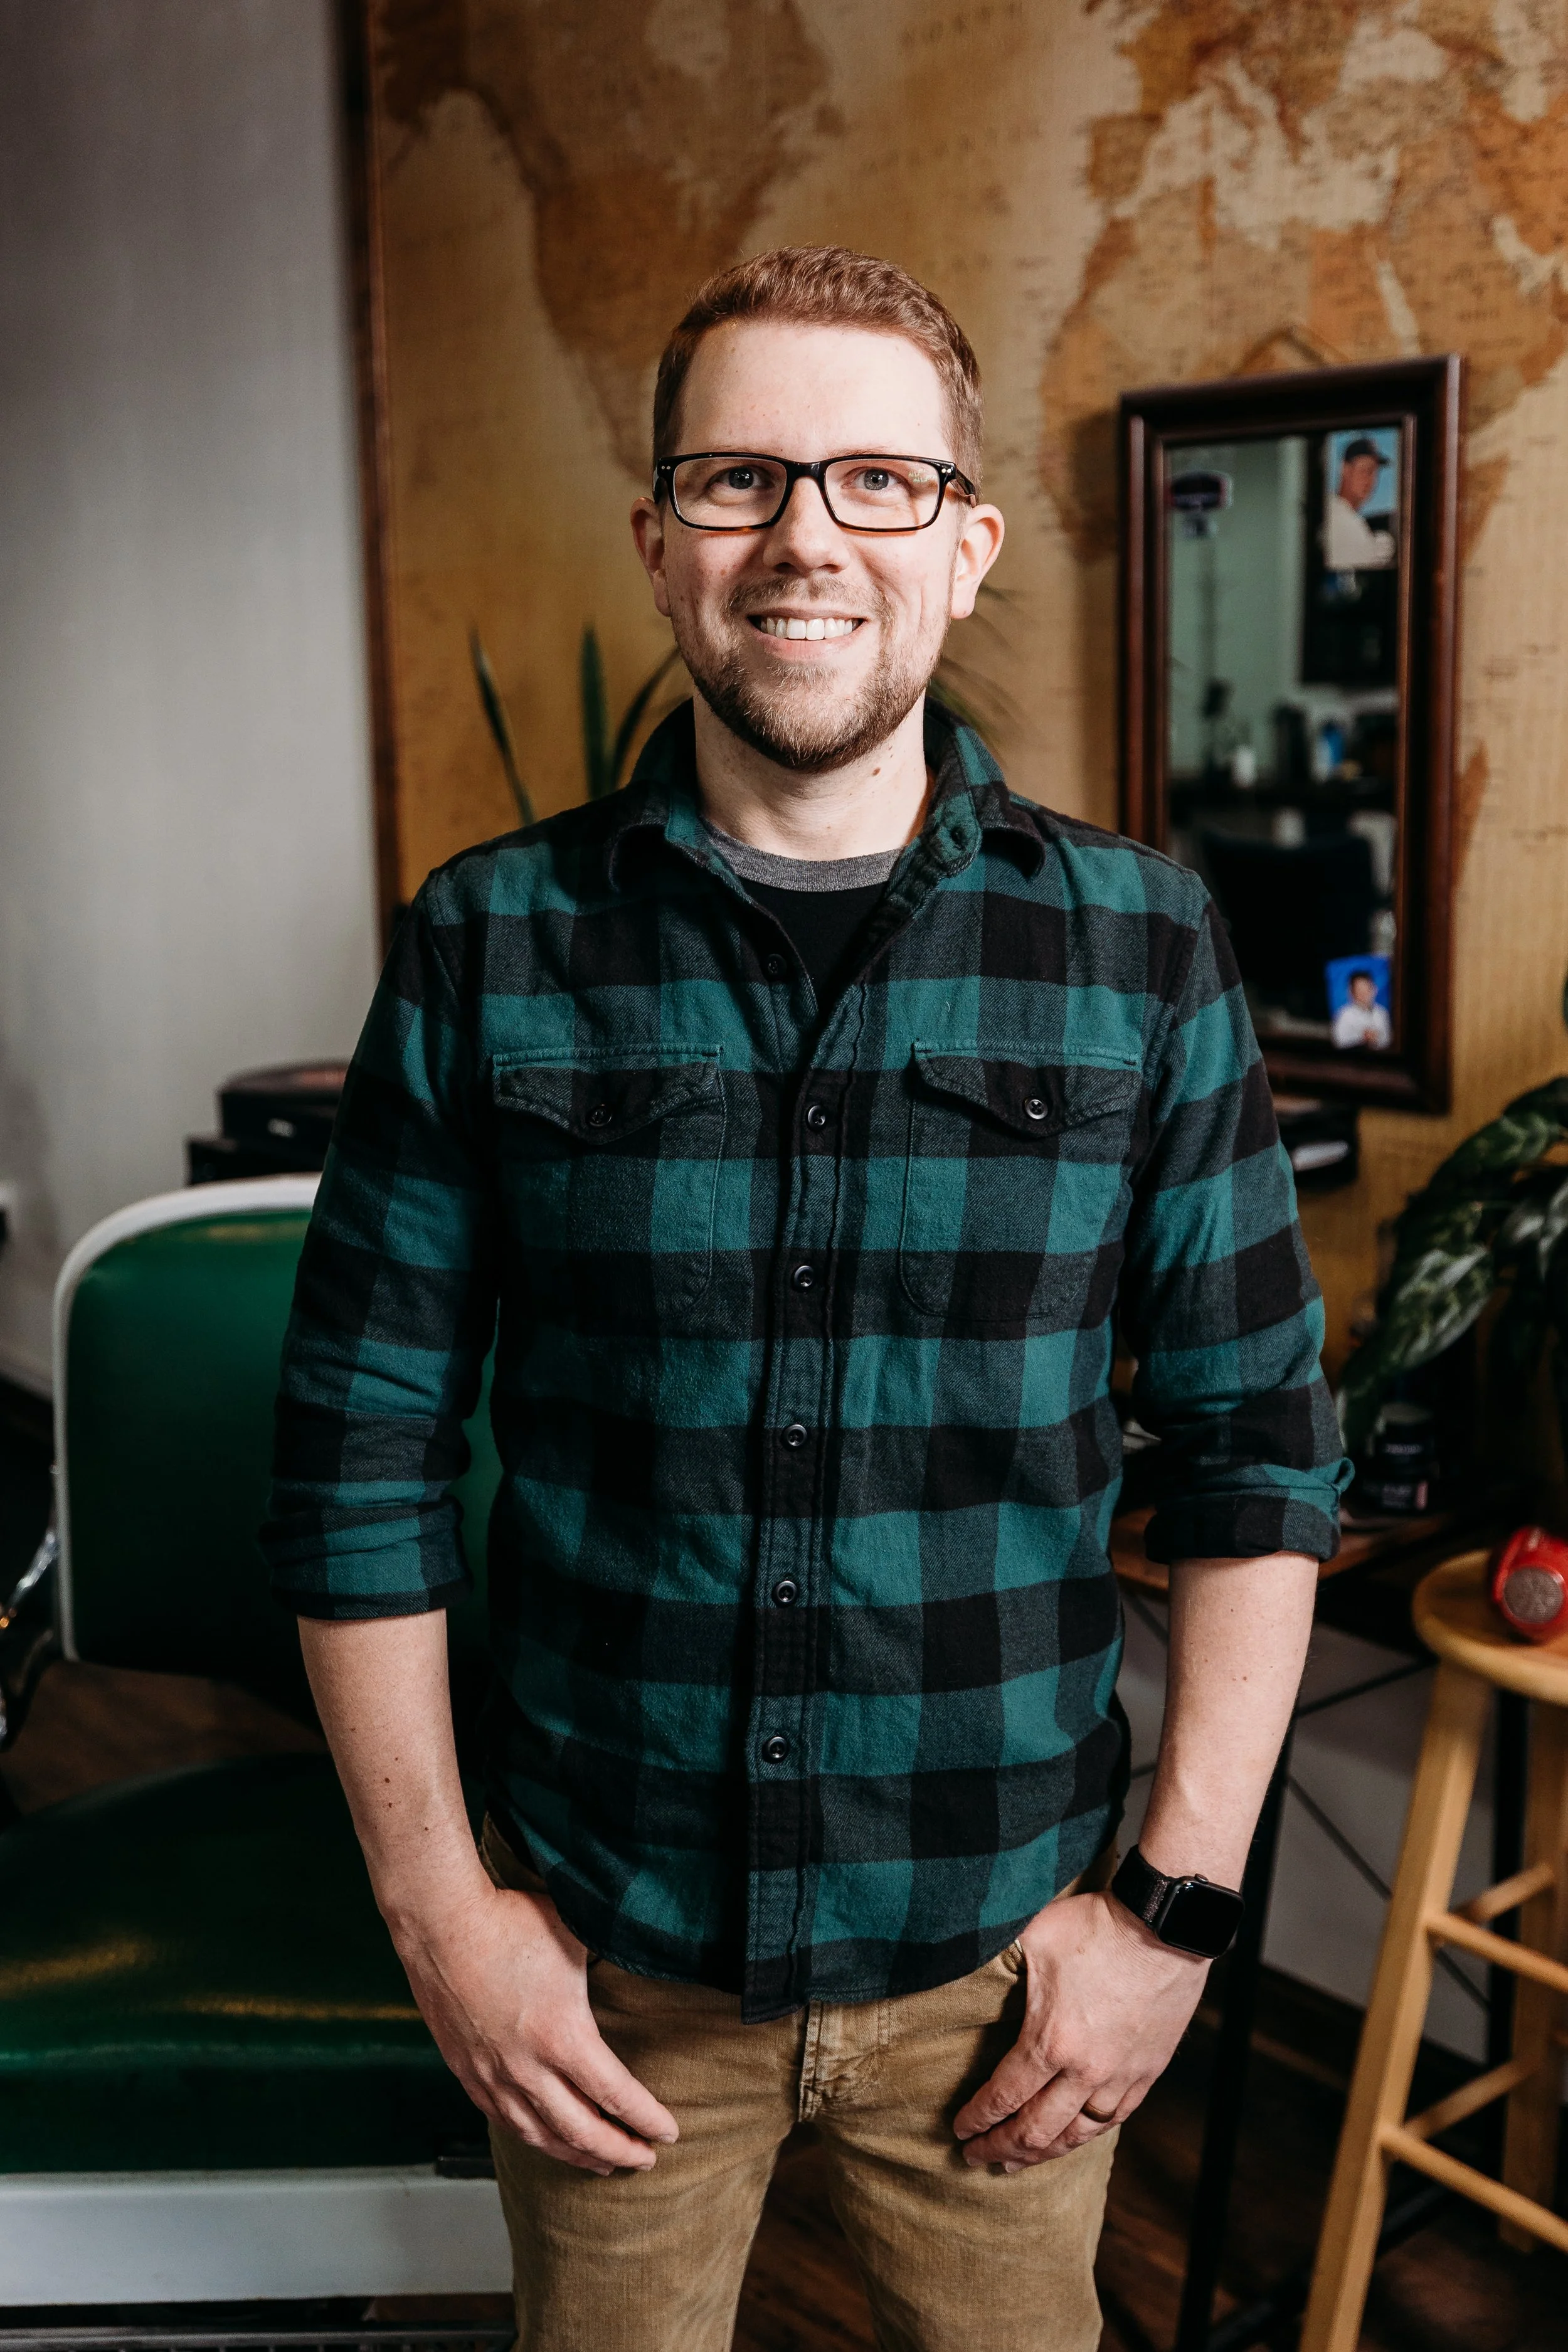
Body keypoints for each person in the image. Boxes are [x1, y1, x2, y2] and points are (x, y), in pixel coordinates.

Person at [264, 246, 1349, 2352]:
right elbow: (356, 1455)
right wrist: (443, 1918)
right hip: (607, 1974)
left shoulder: (1140, 946)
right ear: (663, 539)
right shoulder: (492, 943)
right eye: (741, 477)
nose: (804, 541)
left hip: (1006, 1978)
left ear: (964, 547)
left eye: (872, 482)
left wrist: (1177, 1914)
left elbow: (1256, 1450)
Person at [1324, 435, 1395, 569]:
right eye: (1366, 471)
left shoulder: (1350, 518)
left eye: (1375, 473)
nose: (1371, 481)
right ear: (1345, 469)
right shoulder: (1336, 516)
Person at [1332, 967, 1392, 1049]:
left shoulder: (1382, 1013)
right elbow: (1340, 1041)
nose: (1364, 994)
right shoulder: (1344, 1014)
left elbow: (1388, 1040)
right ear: (1351, 992)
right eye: (1359, 990)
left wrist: (1375, 1038)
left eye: (1367, 989)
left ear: (1374, 989)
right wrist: (1362, 1037)